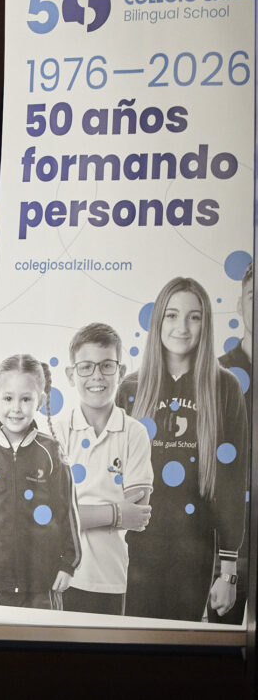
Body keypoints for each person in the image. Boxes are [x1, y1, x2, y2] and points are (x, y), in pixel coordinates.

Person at [121, 277, 249, 622]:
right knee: (128, 650)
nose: (182, 327)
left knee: (178, 655)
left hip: (193, 550)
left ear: (205, 325)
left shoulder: (224, 387)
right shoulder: (130, 388)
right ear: (158, 320)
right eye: (172, 315)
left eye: (194, 317)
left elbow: (233, 483)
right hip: (134, 549)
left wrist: (228, 571)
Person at [0, 353, 81, 610]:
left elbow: (68, 513)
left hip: (44, 582)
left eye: (26, 399)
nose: (16, 408)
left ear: (40, 401)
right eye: (8, 398)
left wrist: (68, 564)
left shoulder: (52, 451)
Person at [57, 322, 153, 616]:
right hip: (57, 576)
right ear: (71, 375)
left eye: (107, 366)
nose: (96, 376)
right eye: (86, 367)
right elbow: (49, 516)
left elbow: (137, 514)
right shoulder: (55, 433)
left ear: (121, 373)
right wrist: (115, 512)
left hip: (109, 579)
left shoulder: (134, 433)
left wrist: (75, 511)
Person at [214, 261, 252, 625]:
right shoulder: (216, 378)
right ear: (240, 306)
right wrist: (225, 571)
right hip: (229, 558)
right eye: (254, 297)